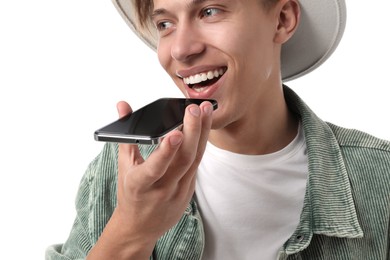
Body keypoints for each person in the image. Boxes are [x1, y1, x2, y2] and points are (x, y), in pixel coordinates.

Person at [46, 0, 390, 259]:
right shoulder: (122, 172)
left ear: (282, 19)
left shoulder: (380, 178)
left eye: (210, 11)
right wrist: (132, 228)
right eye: (165, 23)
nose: (180, 49)